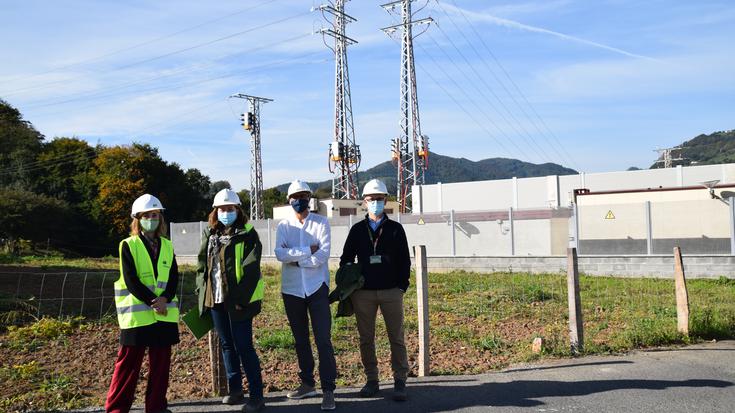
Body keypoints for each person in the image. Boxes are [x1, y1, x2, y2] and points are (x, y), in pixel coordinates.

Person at [106, 194, 180, 413]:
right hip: (138, 316)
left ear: (161, 218)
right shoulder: (128, 245)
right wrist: (152, 301)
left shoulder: (167, 245)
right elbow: (130, 280)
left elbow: (174, 277)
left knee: (160, 367)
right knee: (128, 366)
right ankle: (117, 409)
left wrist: (165, 298)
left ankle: (156, 407)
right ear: (137, 219)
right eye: (147, 215)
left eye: (155, 214)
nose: (151, 218)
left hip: (163, 314)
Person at [340, 179, 411, 401]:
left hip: (391, 292)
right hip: (364, 294)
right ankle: (372, 380)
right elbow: (345, 259)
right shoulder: (357, 230)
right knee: (366, 339)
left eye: (379, 199)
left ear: (385, 201)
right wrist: (353, 281)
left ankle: (400, 380)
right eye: (371, 200)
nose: (375, 203)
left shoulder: (396, 229)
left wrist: (401, 286)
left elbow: (404, 261)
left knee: (396, 337)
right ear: (364, 202)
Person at [196, 189, 265, 413]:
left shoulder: (247, 233)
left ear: (238, 210)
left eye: (230, 208)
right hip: (215, 300)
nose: (226, 212)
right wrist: (201, 292)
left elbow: (251, 269)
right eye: (222, 209)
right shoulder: (210, 233)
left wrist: (240, 299)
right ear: (216, 211)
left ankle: (257, 396)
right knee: (226, 345)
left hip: (238, 302)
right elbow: (201, 266)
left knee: (244, 347)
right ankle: (235, 391)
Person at [275, 180, 337, 411]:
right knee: (300, 340)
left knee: (323, 339)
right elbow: (280, 254)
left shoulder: (321, 223)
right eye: (295, 196)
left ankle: (328, 389)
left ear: (309, 198)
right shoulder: (284, 226)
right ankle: (307, 383)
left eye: (303, 195)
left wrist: (297, 261)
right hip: (291, 290)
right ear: (289, 200)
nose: (299, 200)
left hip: (317, 288)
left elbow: (323, 254)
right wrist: (306, 251)